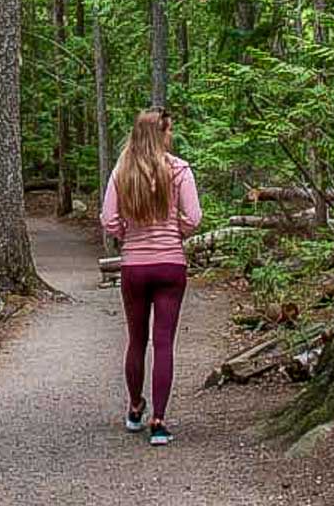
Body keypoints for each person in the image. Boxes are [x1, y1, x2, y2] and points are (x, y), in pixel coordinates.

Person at [99, 107, 202, 446]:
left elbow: (108, 219)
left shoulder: (122, 171)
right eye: (169, 130)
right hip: (171, 265)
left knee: (136, 340)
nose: (171, 136)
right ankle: (158, 421)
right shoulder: (179, 169)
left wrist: (127, 236)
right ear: (160, 133)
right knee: (163, 344)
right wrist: (176, 233)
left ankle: (134, 408)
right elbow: (194, 217)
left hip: (134, 267)